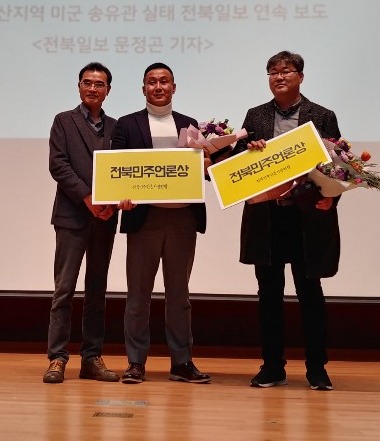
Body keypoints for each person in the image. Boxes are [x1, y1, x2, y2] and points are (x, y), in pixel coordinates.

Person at [233, 51, 342, 391]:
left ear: (300, 77)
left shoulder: (322, 116)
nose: (279, 77)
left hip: (306, 218)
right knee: (269, 294)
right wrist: (249, 151)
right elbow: (238, 163)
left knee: (310, 293)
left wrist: (332, 196)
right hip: (267, 217)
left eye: (286, 71)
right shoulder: (256, 115)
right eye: (273, 72)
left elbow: (339, 164)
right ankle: (272, 366)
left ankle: (317, 369)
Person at [113, 63, 211, 384]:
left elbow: (201, 170)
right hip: (145, 218)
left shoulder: (190, 124)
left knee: (179, 295)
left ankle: (182, 362)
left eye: (164, 81)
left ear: (173, 87)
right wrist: (120, 195)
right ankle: (136, 362)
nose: (158, 86)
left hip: (183, 218)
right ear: (143, 88)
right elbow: (117, 169)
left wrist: (209, 164)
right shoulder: (127, 124)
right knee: (138, 295)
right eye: (152, 82)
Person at [43, 62, 121, 384]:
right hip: (72, 216)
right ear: (78, 86)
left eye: (99, 84)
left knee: (97, 290)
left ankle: (91, 358)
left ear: (108, 90)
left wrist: (112, 202)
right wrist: (88, 197)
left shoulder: (117, 127)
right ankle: (57, 358)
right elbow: (58, 165)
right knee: (64, 290)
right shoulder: (63, 121)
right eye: (87, 82)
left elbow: (122, 169)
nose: (92, 88)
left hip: (105, 218)